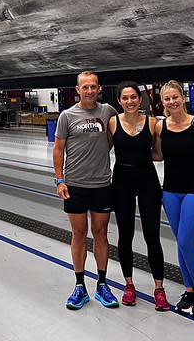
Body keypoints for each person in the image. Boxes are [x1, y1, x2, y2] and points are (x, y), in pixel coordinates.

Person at [53, 71, 119, 310]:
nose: (90, 91)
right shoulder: (67, 116)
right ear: (77, 90)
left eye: (93, 87)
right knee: (78, 234)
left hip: (102, 184)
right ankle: (80, 286)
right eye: (85, 87)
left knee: (101, 234)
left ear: (99, 88)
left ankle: (102, 284)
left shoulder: (108, 112)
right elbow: (58, 149)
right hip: (75, 185)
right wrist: (60, 180)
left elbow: (115, 136)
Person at [108, 81, 169, 311]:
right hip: (122, 180)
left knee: (152, 236)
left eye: (133, 97)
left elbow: (159, 154)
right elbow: (103, 149)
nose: (130, 101)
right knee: (125, 234)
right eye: (125, 98)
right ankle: (129, 285)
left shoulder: (153, 123)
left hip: (147, 180)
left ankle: (159, 288)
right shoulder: (112, 123)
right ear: (119, 101)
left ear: (140, 98)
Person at [153, 81, 194, 317]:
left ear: (183, 98)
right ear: (163, 102)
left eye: (175, 97)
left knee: (186, 241)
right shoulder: (159, 127)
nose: (172, 102)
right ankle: (189, 291)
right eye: (167, 99)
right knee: (180, 242)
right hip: (171, 191)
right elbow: (156, 154)